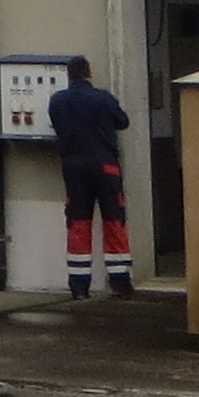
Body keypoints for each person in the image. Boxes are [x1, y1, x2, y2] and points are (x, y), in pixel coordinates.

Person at [46, 58, 134, 298]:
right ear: (89, 74)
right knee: (114, 220)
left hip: (73, 167)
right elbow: (122, 122)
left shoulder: (57, 101)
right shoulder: (103, 98)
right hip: (105, 165)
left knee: (78, 222)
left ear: (68, 75)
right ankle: (120, 281)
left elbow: (56, 125)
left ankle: (79, 286)